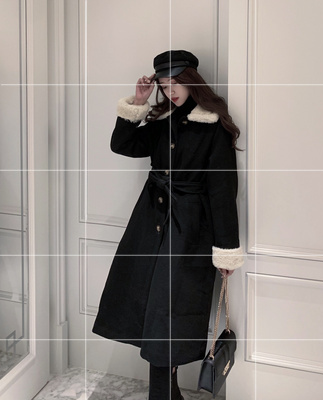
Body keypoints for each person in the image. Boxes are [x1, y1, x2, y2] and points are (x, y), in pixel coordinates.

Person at [92, 50, 244, 400]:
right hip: (150, 225)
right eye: (163, 83)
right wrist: (138, 102)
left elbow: (222, 191)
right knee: (150, 310)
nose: (169, 90)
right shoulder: (163, 120)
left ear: (191, 80)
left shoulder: (213, 125)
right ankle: (167, 392)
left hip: (189, 230)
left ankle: (162, 393)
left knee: (169, 313)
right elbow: (122, 144)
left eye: (175, 82)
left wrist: (226, 250)